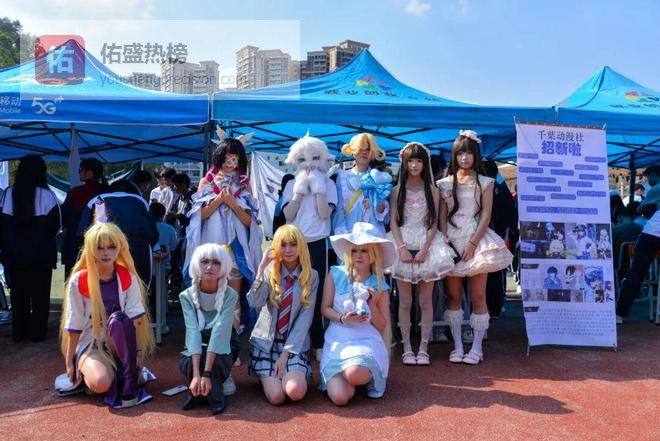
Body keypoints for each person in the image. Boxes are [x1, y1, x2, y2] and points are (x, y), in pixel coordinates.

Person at [58, 222, 155, 408]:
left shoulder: (128, 277)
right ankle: (107, 372)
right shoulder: (79, 280)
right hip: (91, 343)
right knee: (100, 383)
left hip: (121, 343)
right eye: (99, 247)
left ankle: (124, 372)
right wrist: (69, 362)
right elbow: (74, 323)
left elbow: (136, 321)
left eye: (111, 247)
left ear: (120, 248)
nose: (105, 253)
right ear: (90, 249)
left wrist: (137, 355)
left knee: (119, 321)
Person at [438, 130, 513, 365]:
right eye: (460, 153)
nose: (464, 157)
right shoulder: (444, 183)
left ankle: (477, 348)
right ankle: (458, 346)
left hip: (477, 241)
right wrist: (447, 242)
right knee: (453, 296)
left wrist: (472, 244)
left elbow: (486, 215)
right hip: (451, 243)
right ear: (454, 156)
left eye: (469, 153)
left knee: (478, 296)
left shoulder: (485, 182)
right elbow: (441, 217)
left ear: (476, 155)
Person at [388, 142, 454, 366]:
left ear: (425, 163)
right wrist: (401, 248)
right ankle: (407, 347)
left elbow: (433, 222)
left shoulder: (433, 190)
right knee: (405, 302)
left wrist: (426, 248)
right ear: (404, 163)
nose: (414, 165)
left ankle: (424, 348)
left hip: (428, 245)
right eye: (410, 161)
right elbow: (393, 222)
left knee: (426, 301)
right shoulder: (397, 190)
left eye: (418, 161)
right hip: (403, 244)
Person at [320, 222, 394, 405]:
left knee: (354, 374)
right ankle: (354, 376)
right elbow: (325, 308)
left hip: (366, 340)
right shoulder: (335, 274)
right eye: (354, 250)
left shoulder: (380, 285)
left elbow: (383, 325)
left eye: (364, 251)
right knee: (340, 398)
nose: (358, 255)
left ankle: (364, 373)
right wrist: (342, 319)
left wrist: (372, 305)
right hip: (338, 339)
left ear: (374, 254)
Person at [247, 225, 318, 405]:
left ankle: (286, 373)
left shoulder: (311, 276)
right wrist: (261, 269)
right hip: (267, 343)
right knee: (277, 398)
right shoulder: (269, 272)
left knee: (295, 392)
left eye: (293, 244)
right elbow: (254, 302)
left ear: (301, 246)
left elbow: (305, 318)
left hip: (293, 344)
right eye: (283, 244)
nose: (288, 250)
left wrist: (286, 354)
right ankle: (267, 376)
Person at [281, 133, 337, 357]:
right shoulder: (291, 184)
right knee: (291, 290)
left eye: (314, 158)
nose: (309, 164)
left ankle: (317, 342)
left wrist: (318, 190)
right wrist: (298, 192)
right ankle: (290, 341)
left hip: (317, 244)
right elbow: (288, 214)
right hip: (293, 244)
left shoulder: (329, 184)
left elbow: (324, 214)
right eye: (303, 159)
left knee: (317, 293)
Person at [0, 155, 61, 342]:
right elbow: (56, 226)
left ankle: (19, 333)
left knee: (18, 296)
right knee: (40, 297)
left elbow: (1, 226)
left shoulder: (8, 193)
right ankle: (38, 334)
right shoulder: (48, 195)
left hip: (14, 256)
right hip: (41, 256)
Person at [179, 243, 237, 414]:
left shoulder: (230, 295)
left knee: (215, 362)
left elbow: (219, 334)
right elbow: (192, 333)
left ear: (223, 266)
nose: (210, 267)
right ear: (197, 264)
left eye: (216, 262)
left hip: (224, 344)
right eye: (204, 262)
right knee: (190, 362)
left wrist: (206, 374)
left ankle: (210, 387)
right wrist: (197, 373)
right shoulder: (186, 296)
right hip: (198, 345)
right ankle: (206, 388)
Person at [79, 171, 159, 287]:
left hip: (104, 251)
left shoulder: (97, 199)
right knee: (137, 287)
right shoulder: (140, 201)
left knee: (105, 288)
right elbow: (153, 234)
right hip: (137, 250)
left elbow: (82, 232)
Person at [617, 165, 660, 323]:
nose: (648, 181)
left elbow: (641, 208)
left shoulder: (657, 188)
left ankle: (620, 313)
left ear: (654, 175)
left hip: (652, 233)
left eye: (649, 178)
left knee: (636, 273)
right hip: (654, 231)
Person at [333, 133, 391, 236]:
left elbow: (385, 217)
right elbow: (339, 211)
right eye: (360, 148)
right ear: (353, 151)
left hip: (373, 233)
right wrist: (344, 235)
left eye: (368, 149)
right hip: (349, 232)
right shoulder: (342, 177)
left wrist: (376, 204)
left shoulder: (380, 178)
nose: (364, 152)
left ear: (373, 152)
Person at [61, 158, 109, 278]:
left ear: (89, 173)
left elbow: (64, 218)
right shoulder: (106, 192)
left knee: (73, 281)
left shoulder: (76, 192)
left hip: (75, 245)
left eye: (80, 170)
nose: (79, 172)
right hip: (100, 244)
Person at [482, 158, 517, 318]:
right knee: (495, 272)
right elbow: (511, 213)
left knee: (491, 273)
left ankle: (492, 307)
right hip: (498, 235)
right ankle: (495, 307)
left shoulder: (492, 187)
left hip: (492, 236)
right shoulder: (500, 187)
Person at [149, 202, 178, 334]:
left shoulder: (146, 227)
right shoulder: (169, 228)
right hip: (164, 266)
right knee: (162, 293)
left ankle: (155, 320)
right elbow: (173, 247)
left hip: (148, 267)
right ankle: (162, 322)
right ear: (163, 214)